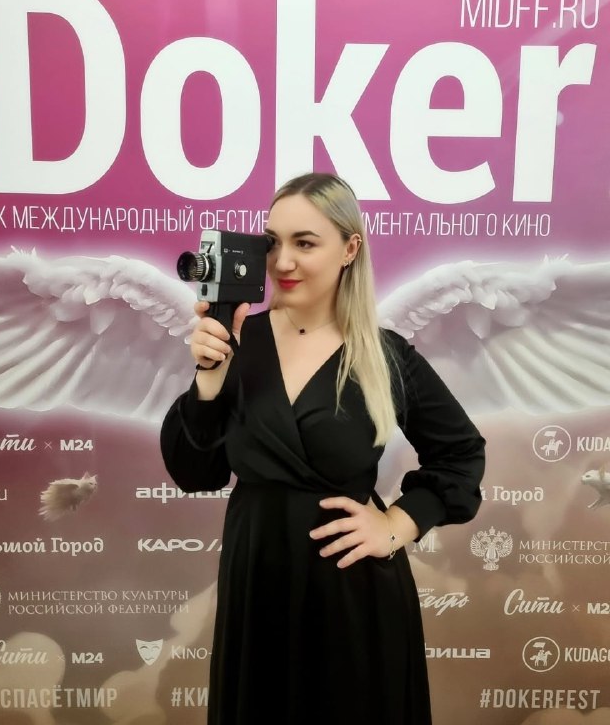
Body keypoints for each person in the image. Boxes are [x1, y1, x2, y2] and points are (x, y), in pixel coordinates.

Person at [160, 173, 485, 725]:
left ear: (349, 249)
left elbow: (461, 455)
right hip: (257, 587)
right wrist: (208, 380)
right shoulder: (237, 343)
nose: (282, 261)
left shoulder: (384, 355)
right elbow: (195, 472)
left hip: (352, 598)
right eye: (273, 242)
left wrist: (397, 525)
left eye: (305, 243)